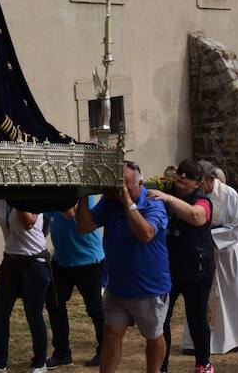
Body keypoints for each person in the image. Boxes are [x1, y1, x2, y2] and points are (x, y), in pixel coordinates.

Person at [76, 161, 170, 373]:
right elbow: (84, 226)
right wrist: (83, 194)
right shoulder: (109, 203)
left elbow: (145, 234)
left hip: (149, 289)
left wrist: (126, 200)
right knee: (110, 334)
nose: (120, 189)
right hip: (117, 287)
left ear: (140, 183)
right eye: (119, 185)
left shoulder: (154, 203)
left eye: (127, 185)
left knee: (153, 336)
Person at [147, 159, 214, 373]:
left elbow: (197, 216)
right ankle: (161, 365)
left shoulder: (203, 201)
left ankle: (203, 363)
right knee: (161, 320)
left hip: (198, 268)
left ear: (198, 183)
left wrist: (168, 198)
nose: (183, 177)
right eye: (181, 173)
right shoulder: (166, 194)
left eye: (189, 175)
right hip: (170, 269)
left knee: (196, 318)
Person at [181, 164, 238, 356]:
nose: (198, 186)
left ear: (210, 179)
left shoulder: (229, 194)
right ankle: (197, 341)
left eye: (201, 181)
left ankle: (236, 340)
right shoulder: (195, 196)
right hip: (202, 255)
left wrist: (211, 236)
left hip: (226, 254)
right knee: (200, 298)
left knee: (230, 297)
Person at [0, 198, 50, 373]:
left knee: (34, 315)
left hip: (34, 264)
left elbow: (28, 223)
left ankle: (40, 363)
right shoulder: (1, 199)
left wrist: (15, 197)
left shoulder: (31, 196)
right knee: (0, 314)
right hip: (10, 264)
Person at [42, 196, 104, 369]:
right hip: (61, 260)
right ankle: (62, 353)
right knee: (54, 304)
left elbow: (70, 213)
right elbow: (45, 223)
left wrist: (55, 195)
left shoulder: (84, 194)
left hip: (89, 260)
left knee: (95, 309)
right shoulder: (54, 191)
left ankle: (105, 351)